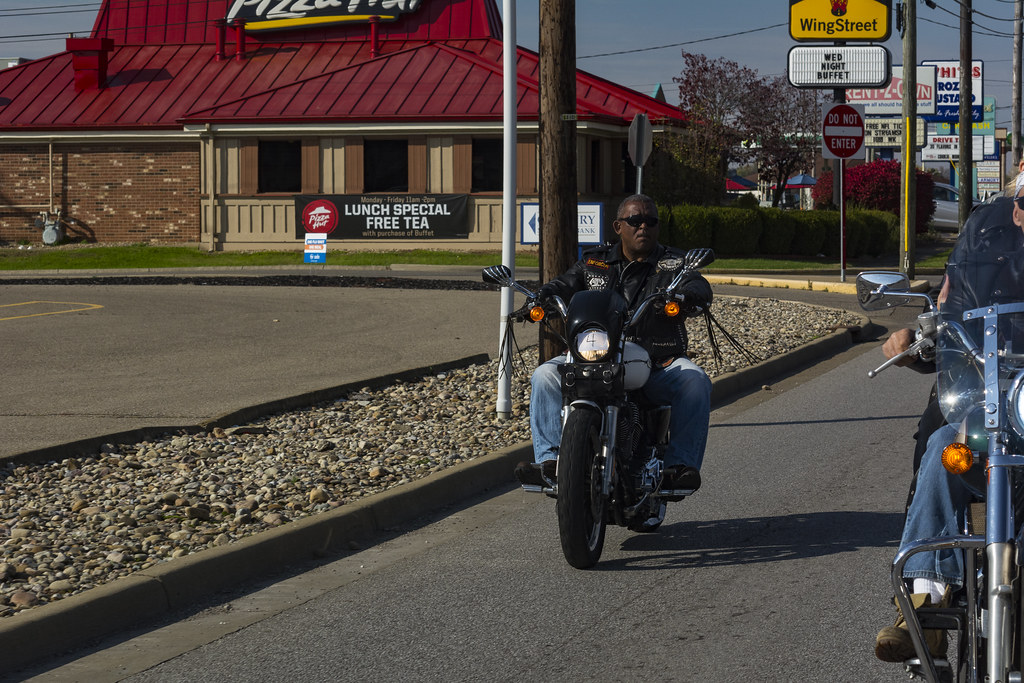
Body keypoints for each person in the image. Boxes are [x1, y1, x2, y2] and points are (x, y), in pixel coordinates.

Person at [875, 173, 1024, 663]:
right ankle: (925, 603)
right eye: (1022, 199)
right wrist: (917, 341)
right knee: (941, 445)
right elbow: (951, 313)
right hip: (992, 395)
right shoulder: (982, 247)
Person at [515, 194, 713, 493]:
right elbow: (565, 283)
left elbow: (697, 284)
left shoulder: (674, 264)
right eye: (635, 221)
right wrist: (541, 296)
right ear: (618, 226)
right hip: (595, 357)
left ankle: (678, 468)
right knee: (543, 375)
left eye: (651, 221)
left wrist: (687, 296)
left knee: (696, 381)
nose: (643, 226)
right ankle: (551, 464)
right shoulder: (594, 262)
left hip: (657, 361)